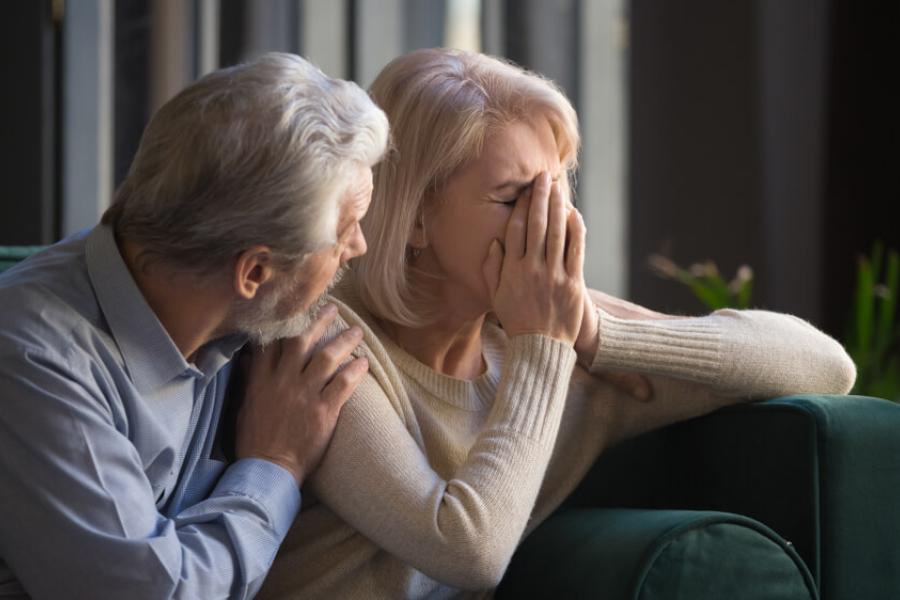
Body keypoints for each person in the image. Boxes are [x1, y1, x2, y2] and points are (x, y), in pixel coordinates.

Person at [258, 48, 857, 599]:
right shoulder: (324, 347)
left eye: (557, 191)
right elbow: (467, 549)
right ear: (414, 217)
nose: (555, 224)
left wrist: (596, 334)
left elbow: (829, 365)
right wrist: (543, 344)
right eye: (516, 198)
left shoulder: (560, 342)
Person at [0, 52, 388, 599]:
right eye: (347, 229)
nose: (359, 247)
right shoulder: (34, 361)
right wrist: (274, 465)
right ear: (254, 270)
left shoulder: (229, 319)